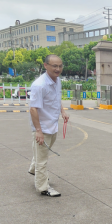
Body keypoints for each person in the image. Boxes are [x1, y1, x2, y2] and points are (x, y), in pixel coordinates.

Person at [28, 54, 69, 197]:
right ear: (46, 66)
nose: (58, 69)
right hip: (43, 127)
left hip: (53, 125)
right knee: (42, 160)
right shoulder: (40, 85)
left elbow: (56, 98)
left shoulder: (57, 81)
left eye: (60, 66)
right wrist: (38, 131)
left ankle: (33, 169)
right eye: (54, 66)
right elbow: (33, 109)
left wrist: (63, 111)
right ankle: (43, 187)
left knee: (42, 153)